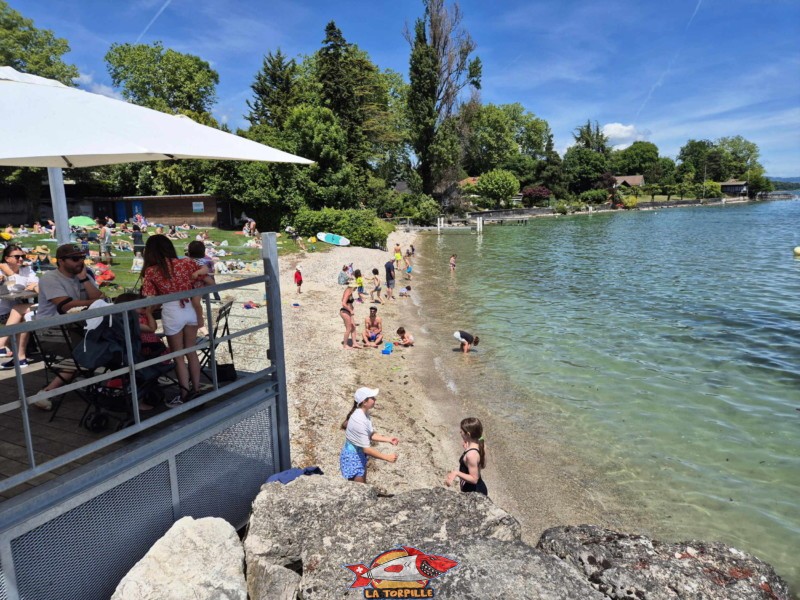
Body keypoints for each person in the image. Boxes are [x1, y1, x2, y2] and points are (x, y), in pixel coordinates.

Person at [33, 244, 104, 409]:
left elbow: (98, 297)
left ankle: (103, 382)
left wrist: (84, 279)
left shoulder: (84, 276)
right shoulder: (50, 278)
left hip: (77, 328)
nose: (80, 261)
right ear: (61, 261)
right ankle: (47, 392)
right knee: (93, 349)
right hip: (51, 332)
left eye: (82, 258)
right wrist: (96, 302)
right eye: (75, 258)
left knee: (108, 342)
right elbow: (65, 306)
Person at [141, 235, 208, 407]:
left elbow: (149, 297)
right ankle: (196, 390)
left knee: (178, 356)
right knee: (191, 352)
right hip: (190, 307)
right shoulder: (185, 262)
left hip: (171, 310)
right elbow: (204, 272)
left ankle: (184, 395)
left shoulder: (151, 271)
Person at [339, 387, 399, 483]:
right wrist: (387, 457)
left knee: (361, 485)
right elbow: (366, 449)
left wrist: (388, 439)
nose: (375, 399)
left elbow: (369, 434)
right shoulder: (359, 420)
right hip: (353, 458)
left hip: (359, 455)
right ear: (364, 402)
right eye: (372, 398)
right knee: (359, 488)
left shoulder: (364, 413)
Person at [0, 245, 39, 369]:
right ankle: (20, 357)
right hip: (2, 311)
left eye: (23, 256)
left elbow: (34, 283)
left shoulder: (26, 269)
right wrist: (12, 276)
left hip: (16, 308)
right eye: (17, 257)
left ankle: (17, 356)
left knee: (23, 315)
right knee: (22, 315)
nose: (21, 259)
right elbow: (18, 287)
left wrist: (10, 274)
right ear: (7, 258)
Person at [445, 417, 488, 495]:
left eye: (461, 431)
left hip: (474, 491)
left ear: (468, 434)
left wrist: (456, 473)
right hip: (479, 487)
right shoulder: (481, 445)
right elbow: (482, 465)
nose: (460, 432)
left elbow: (474, 479)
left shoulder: (471, 455)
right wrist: (467, 448)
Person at [339, 285, 360, 349]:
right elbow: (343, 303)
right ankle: (345, 345)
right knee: (349, 328)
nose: (356, 288)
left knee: (353, 327)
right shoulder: (348, 291)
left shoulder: (350, 292)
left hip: (348, 312)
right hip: (345, 312)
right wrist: (350, 310)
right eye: (356, 287)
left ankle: (354, 343)